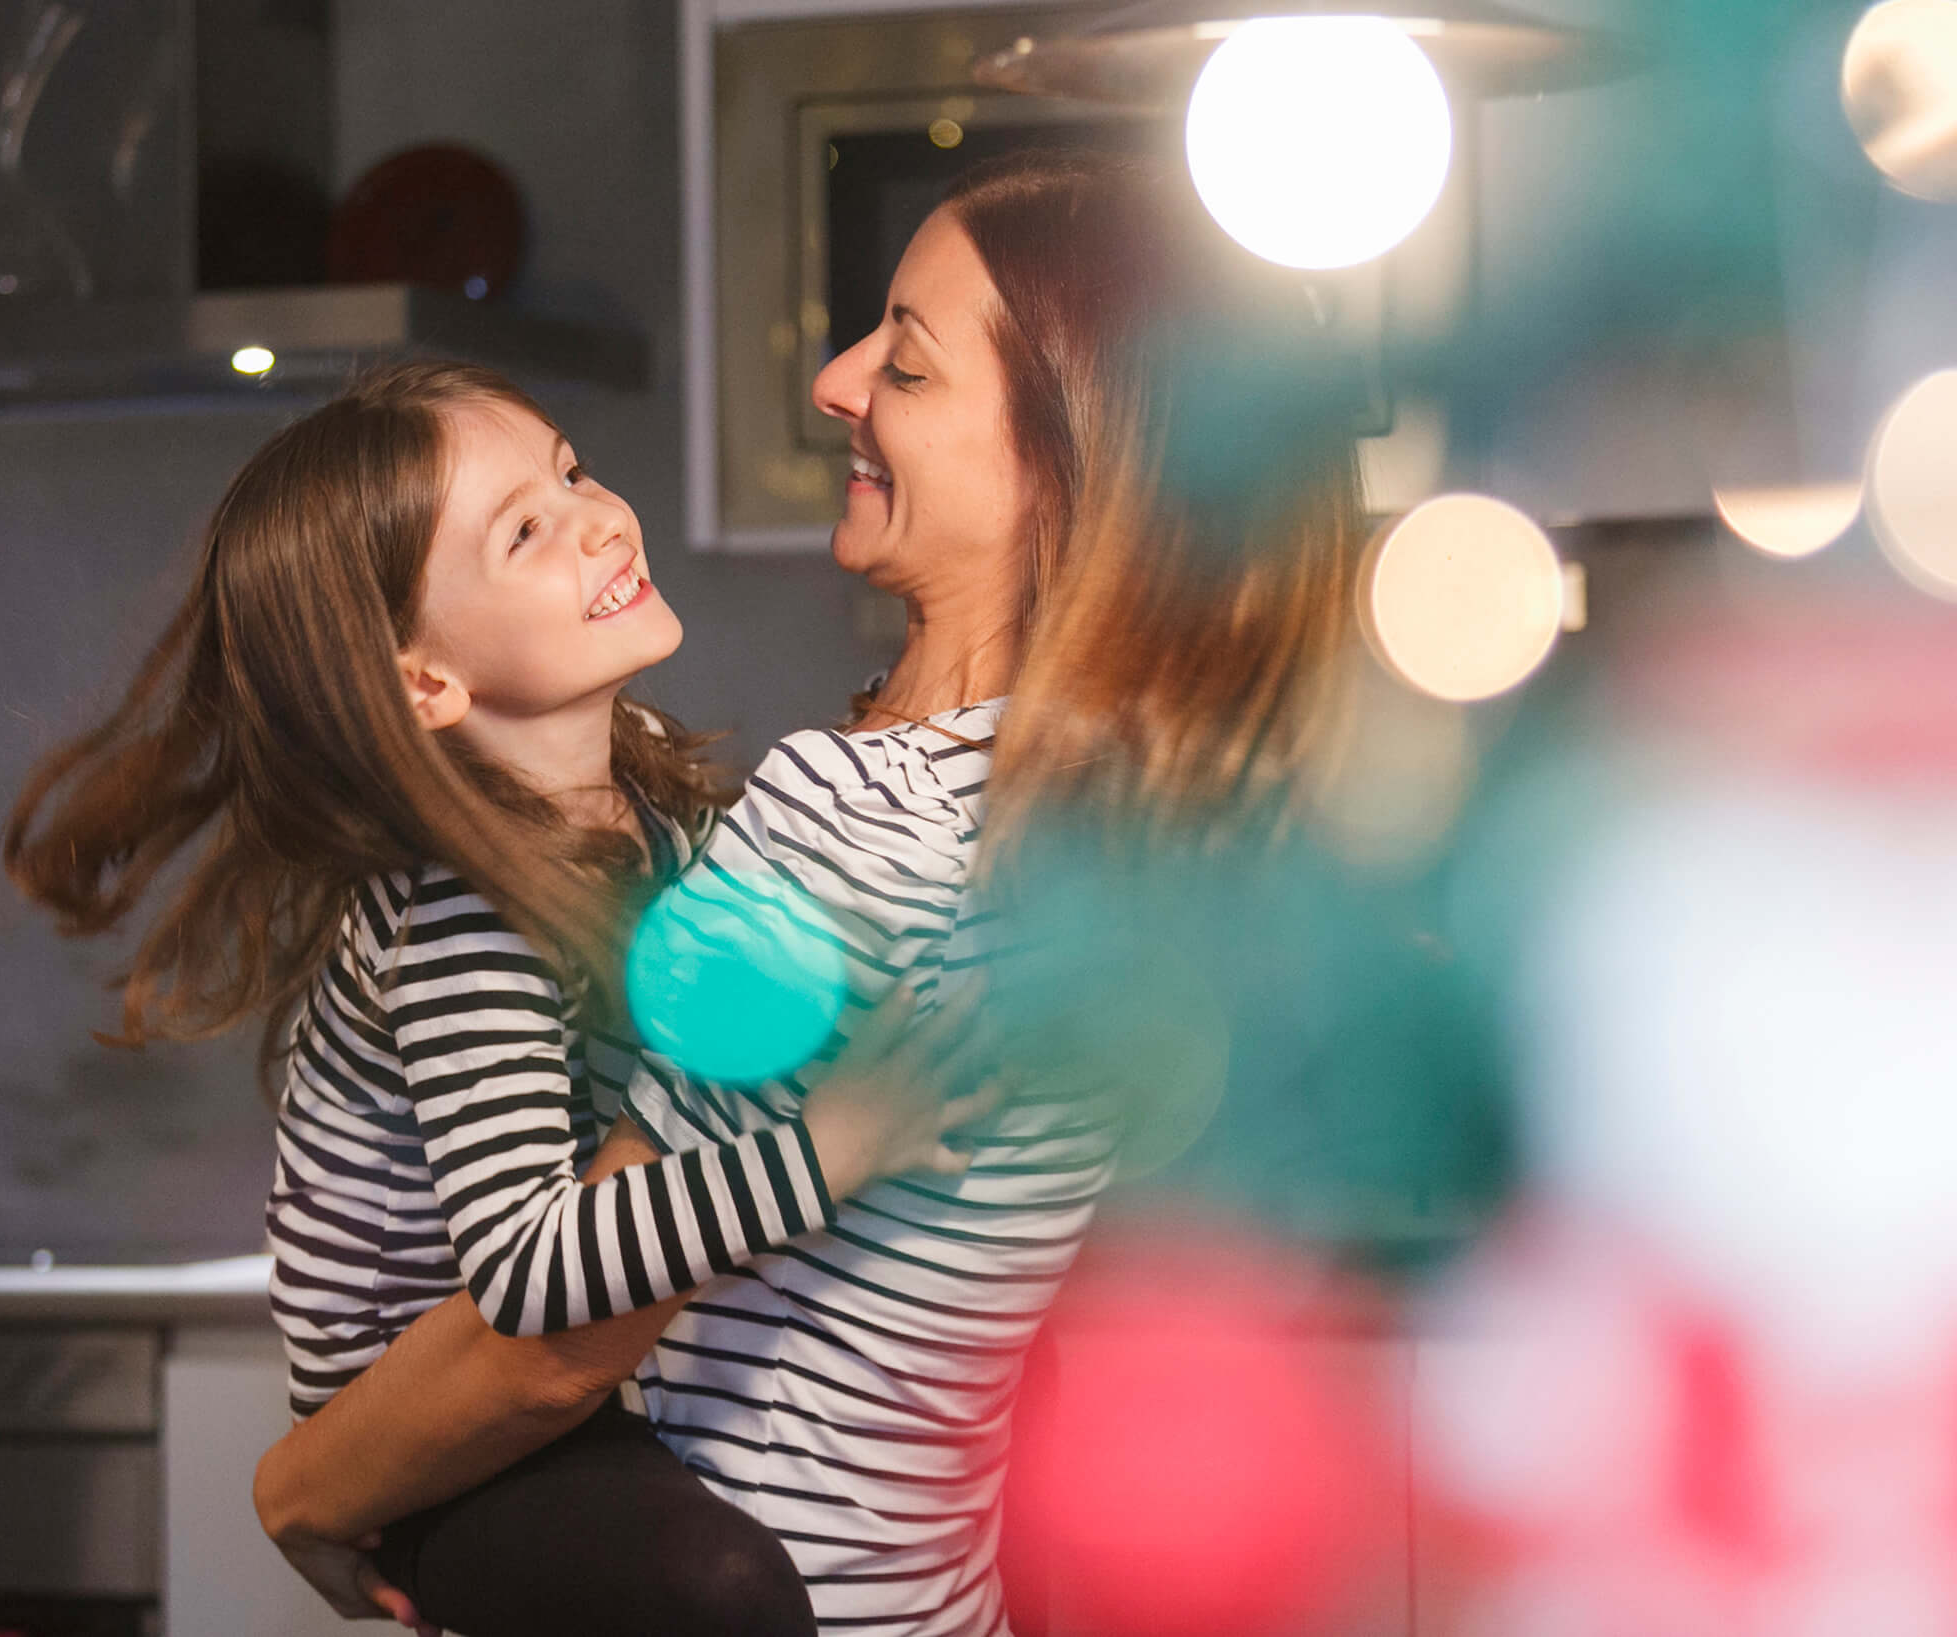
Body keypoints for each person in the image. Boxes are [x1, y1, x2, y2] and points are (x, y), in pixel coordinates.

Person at [255, 151, 1369, 1636]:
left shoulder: (855, 816)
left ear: (1067, 464)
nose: (838, 380)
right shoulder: (1122, 822)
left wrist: (306, 1493)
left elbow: (552, 1342)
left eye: (905, 365)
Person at [1, 360, 984, 1637]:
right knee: (723, 1593)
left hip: (593, 1393)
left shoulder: (664, 819)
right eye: (526, 529)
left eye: (573, 471)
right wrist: (848, 1141)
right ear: (423, 683)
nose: (601, 517)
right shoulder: (463, 910)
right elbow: (527, 1274)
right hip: (444, 1444)